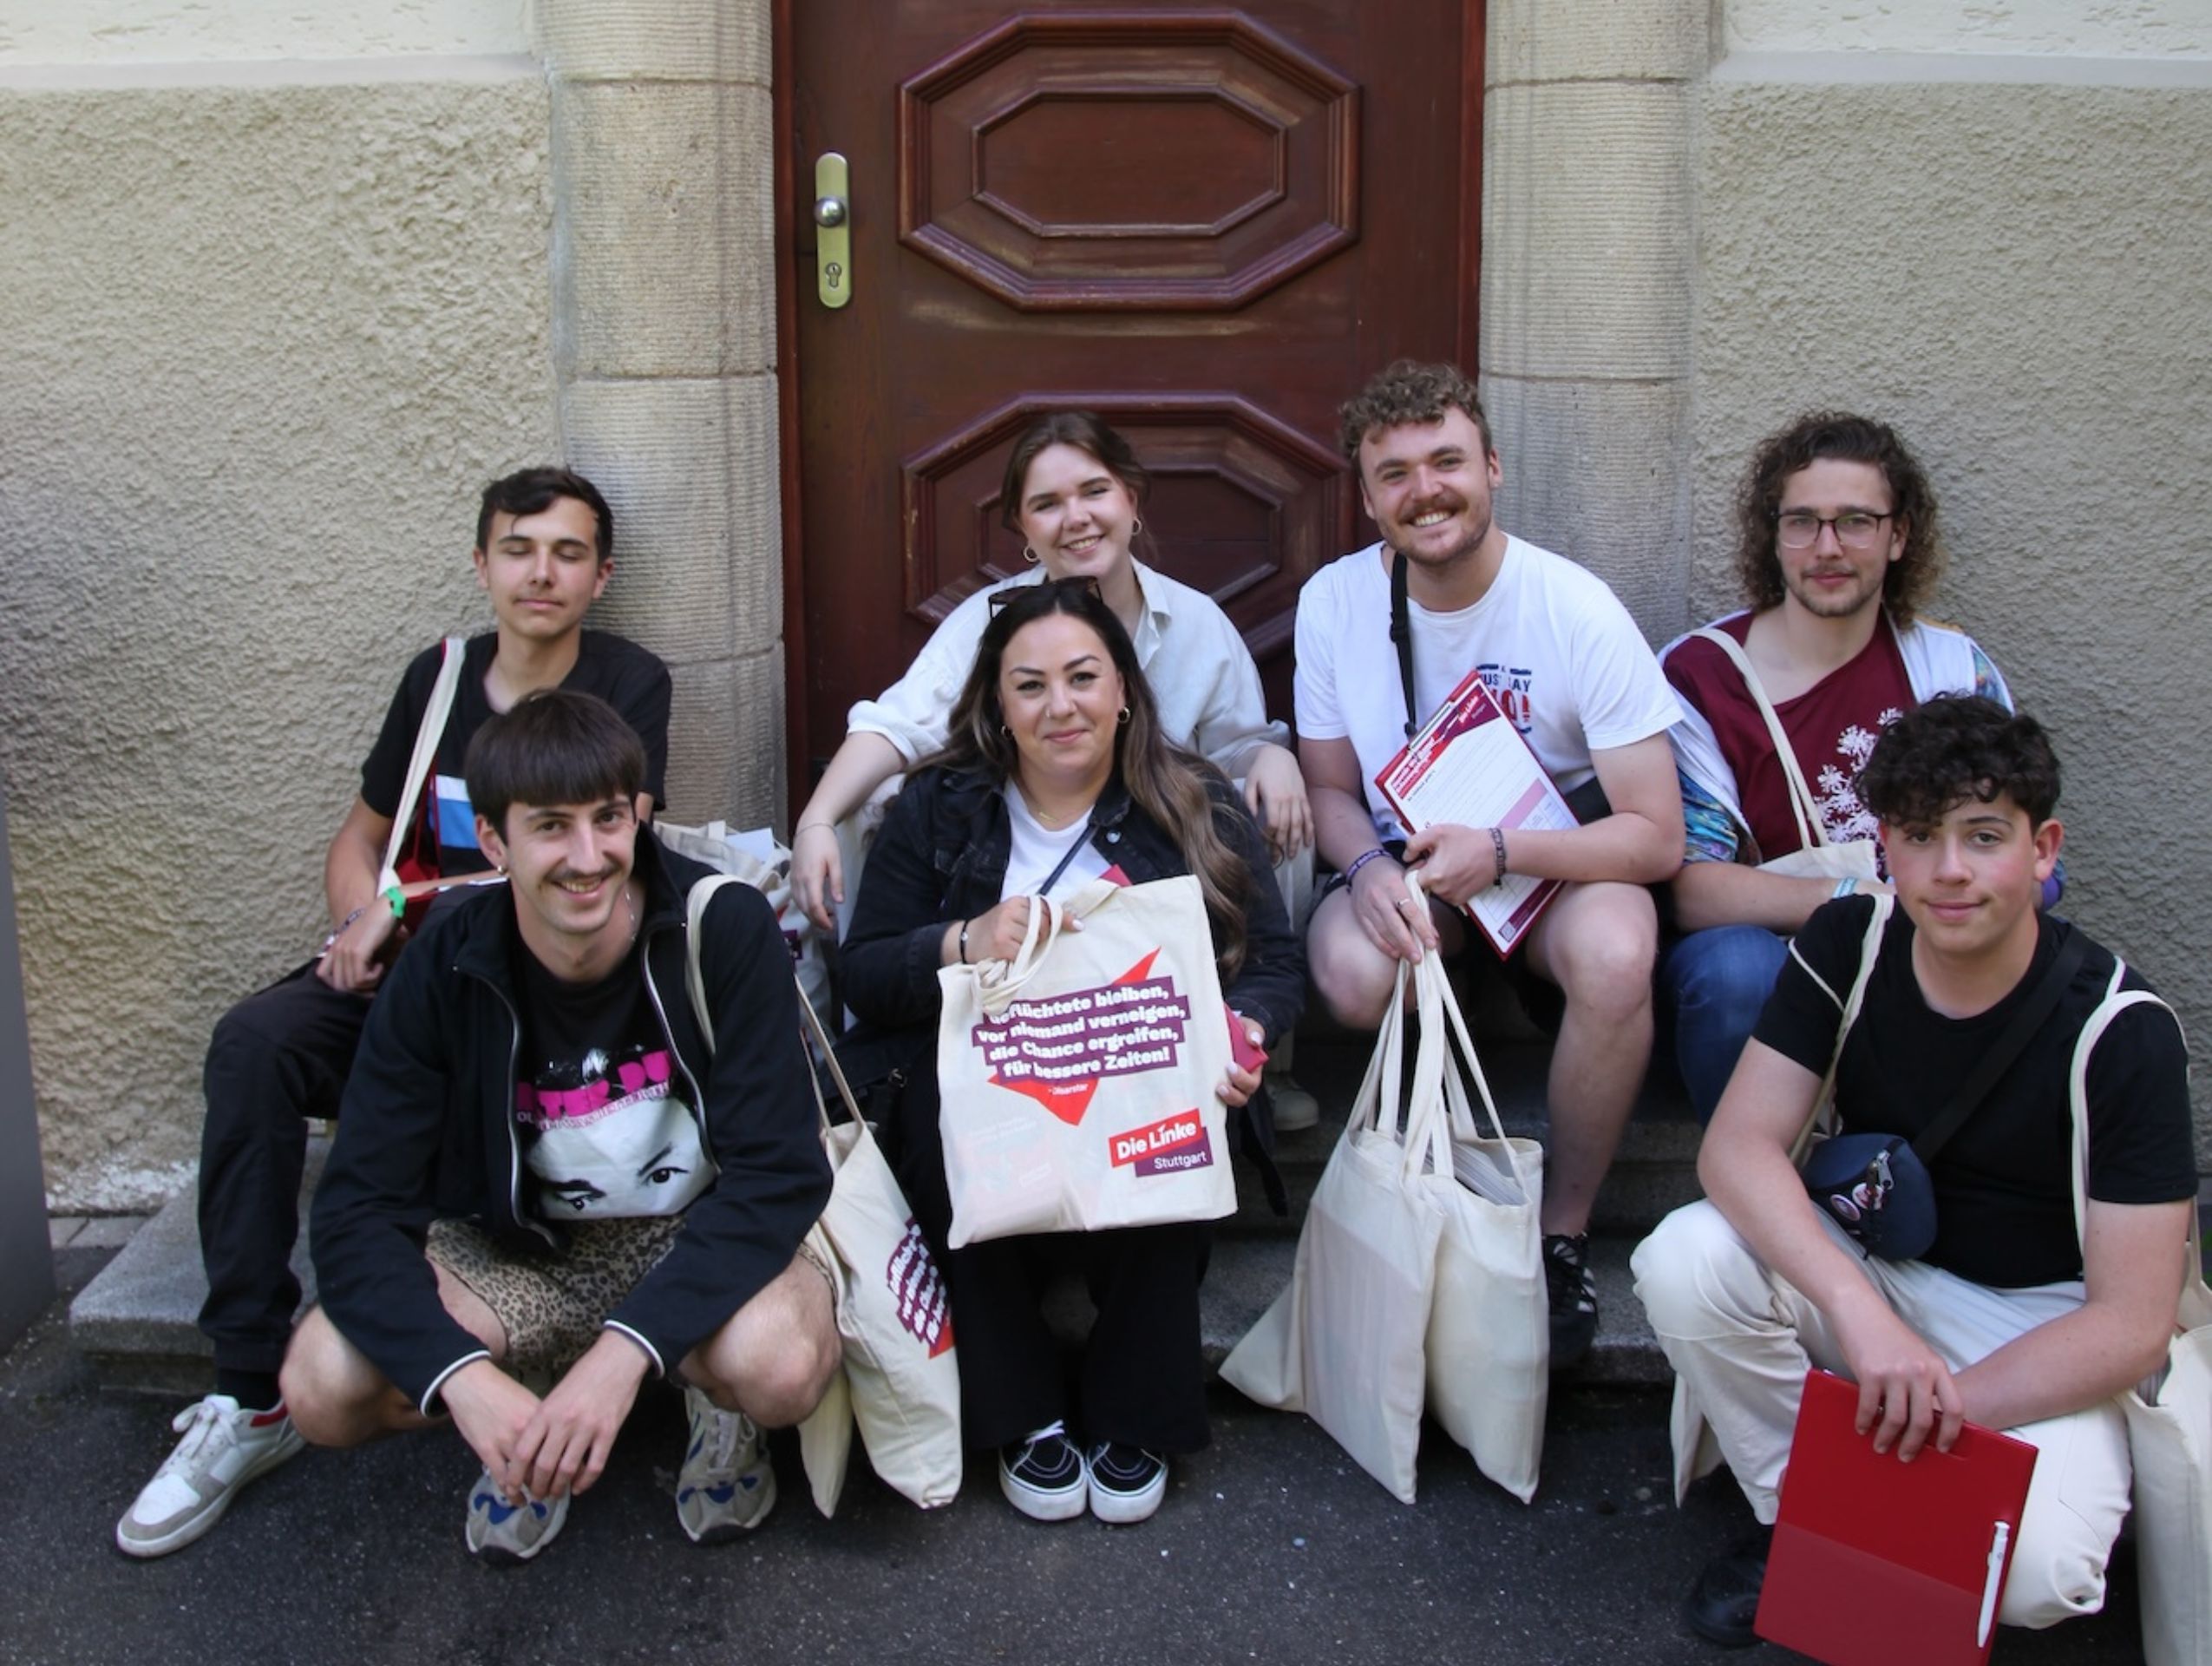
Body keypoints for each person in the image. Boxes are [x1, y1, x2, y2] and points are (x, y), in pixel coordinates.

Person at [115, 468, 672, 1558]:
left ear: (601, 576)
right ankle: (248, 1394)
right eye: (519, 549)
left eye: (567, 553)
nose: (541, 572)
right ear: (482, 564)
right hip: (405, 977)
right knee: (254, 1046)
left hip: (520, 991)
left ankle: (515, 1344)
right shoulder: (440, 676)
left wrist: (411, 902)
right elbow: (361, 834)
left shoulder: (626, 681)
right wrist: (361, 916)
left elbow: (603, 860)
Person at [1633, 696, 2195, 1646]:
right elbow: (1736, 1149)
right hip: (1880, 1279)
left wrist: (1941, 1410)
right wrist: (1864, 1319)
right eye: (1921, 837)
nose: (1950, 871)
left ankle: (1875, 1511)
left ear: (2043, 848)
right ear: (1885, 846)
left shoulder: (2123, 1029)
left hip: (2041, 1317)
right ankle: (1799, 1525)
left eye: (1984, 837)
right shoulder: (1850, 942)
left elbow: (2134, 1326)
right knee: (1686, 1259)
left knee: (2042, 1574)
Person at [278, 690, 838, 1562]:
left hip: (691, 1231)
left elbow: (782, 1175)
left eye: (609, 819)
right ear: (495, 843)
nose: (589, 858)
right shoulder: (447, 956)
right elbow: (358, 1208)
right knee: (322, 1385)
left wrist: (626, 1354)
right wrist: (461, 1378)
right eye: (551, 828)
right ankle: (523, 1406)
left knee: (782, 1363)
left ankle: (709, 1402)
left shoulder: (718, 923)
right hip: (516, 1249)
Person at [838, 580, 1304, 1525]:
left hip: (1139, 1085)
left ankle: (1137, 1415)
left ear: (1124, 688)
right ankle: (1024, 1414)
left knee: (1177, 1094)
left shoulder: (1194, 799)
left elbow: (1277, 963)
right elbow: (864, 976)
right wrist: (963, 940)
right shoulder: (939, 806)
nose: (1062, 706)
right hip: (986, 1103)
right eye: (1032, 685)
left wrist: (1244, 1028)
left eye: (1084, 677)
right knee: (939, 1101)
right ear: (997, 706)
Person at [1293, 360, 1684, 1368]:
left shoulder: (1574, 607)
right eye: (1395, 473)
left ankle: (1559, 1235)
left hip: (1549, 862)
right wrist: (1372, 875)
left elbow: (1655, 835)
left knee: (1617, 950)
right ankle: (1439, 1186)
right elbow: (1332, 791)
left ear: (1494, 468)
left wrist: (1505, 849)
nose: (1425, 490)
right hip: (1412, 860)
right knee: (1348, 970)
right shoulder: (1336, 603)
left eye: (1446, 461)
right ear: (1369, 496)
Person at [788, 410, 1319, 1125]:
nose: (1076, 519)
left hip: (1153, 867)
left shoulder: (1196, 625)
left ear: (1131, 500)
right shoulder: (987, 622)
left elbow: (1236, 747)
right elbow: (898, 725)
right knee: (873, 797)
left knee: (1273, 807)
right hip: (1009, 871)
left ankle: (1257, 1058)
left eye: (1093, 492)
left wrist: (1272, 757)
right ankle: (875, 1074)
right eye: (1047, 504)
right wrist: (821, 817)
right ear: (1024, 530)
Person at [1659, 410, 2036, 1119]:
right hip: (1769, 960)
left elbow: (2024, 856)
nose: (1827, 548)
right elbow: (1691, 892)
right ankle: (1767, 1190)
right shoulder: (1703, 677)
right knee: (1736, 971)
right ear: (1773, 536)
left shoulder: (1948, 669)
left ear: (1899, 536)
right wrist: (1852, 902)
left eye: (1856, 522)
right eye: (1803, 521)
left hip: (1926, 942)